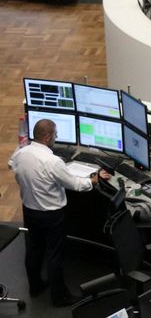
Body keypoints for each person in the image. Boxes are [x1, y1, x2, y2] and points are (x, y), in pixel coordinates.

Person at [10, 118, 110, 306]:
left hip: (30, 210)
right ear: (47, 137)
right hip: (51, 215)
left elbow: (15, 170)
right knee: (55, 255)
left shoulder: (21, 153)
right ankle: (59, 297)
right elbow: (74, 184)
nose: (56, 137)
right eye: (55, 134)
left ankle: (36, 286)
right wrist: (94, 180)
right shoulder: (53, 161)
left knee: (34, 249)